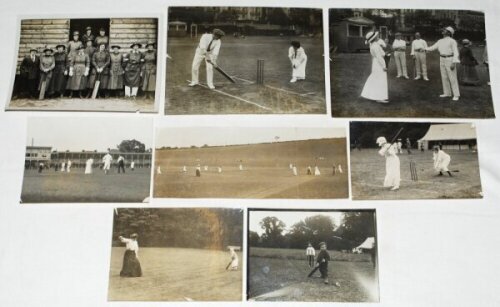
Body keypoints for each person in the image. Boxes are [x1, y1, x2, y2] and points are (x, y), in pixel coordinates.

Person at [426, 26, 460, 101]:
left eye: (444, 30)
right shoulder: (440, 41)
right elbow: (432, 47)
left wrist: (454, 63)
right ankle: (447, 93)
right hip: (442, 59)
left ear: (448, 32)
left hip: (450, 59)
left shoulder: (452, 41)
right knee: (444, 77)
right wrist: (424, 48)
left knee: (452, 77)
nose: (443, 30)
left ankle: (456, 95)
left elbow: (456, 52)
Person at [361, 31, 389, 103]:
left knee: (375, 78)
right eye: (376, 36)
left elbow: (380, 54)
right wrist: (383, 66)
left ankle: (369, 94)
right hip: (378, 63)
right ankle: (379, 97)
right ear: (374, 38)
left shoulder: (374, 45)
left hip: (376, 63)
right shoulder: (375, 46)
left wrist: (383, 53)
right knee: (380, 79)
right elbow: (379, 57)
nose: (377, 37)